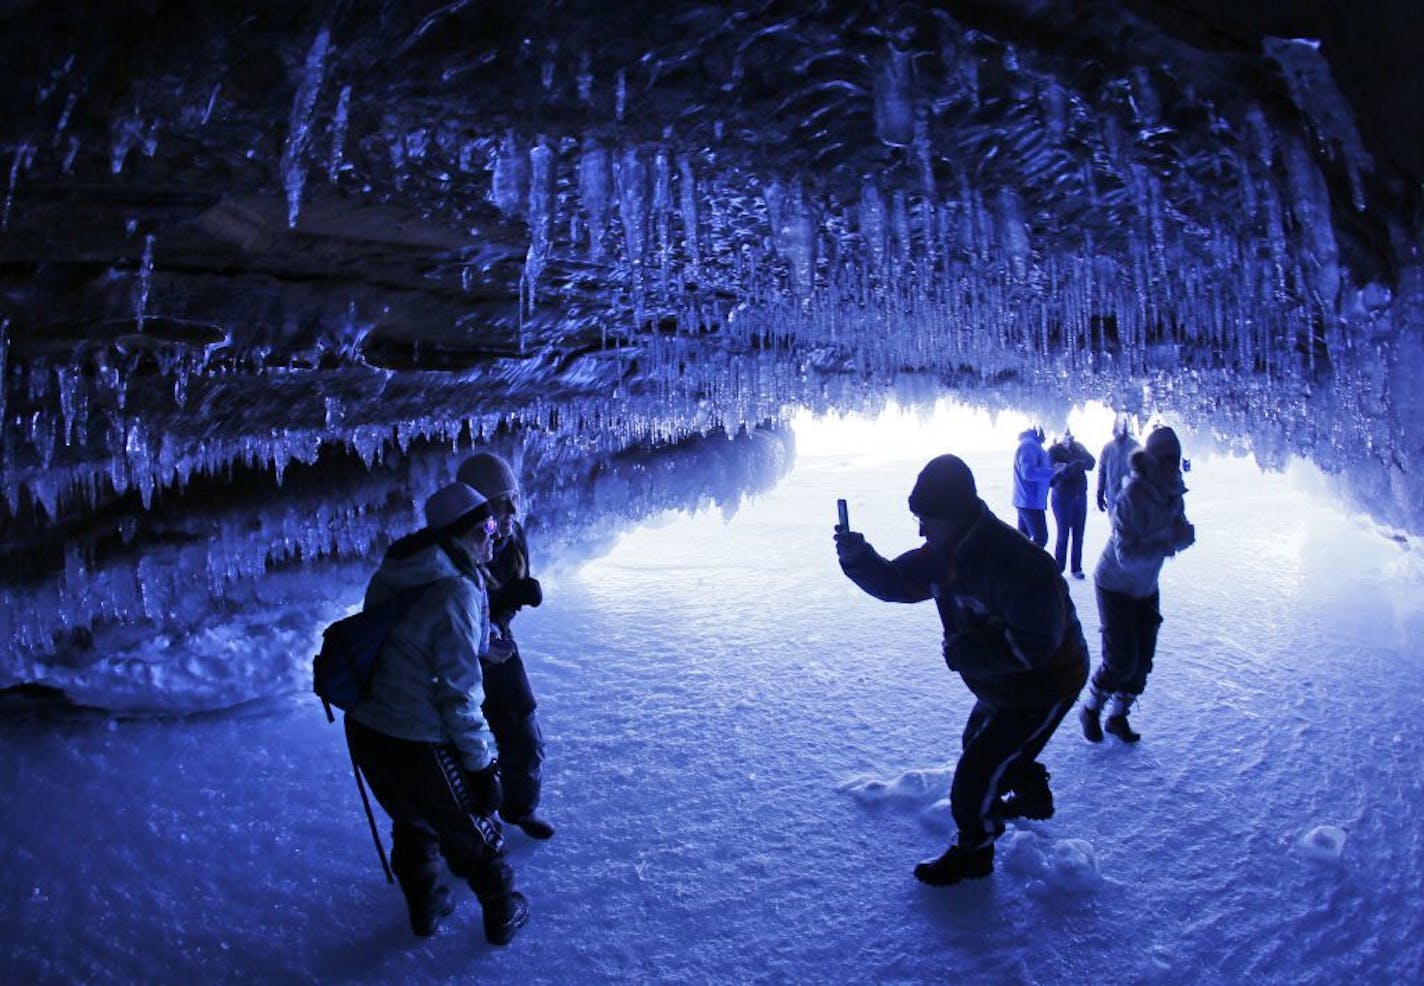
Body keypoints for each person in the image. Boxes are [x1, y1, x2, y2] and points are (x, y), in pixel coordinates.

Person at [834, 455, 1088, 887]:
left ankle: (975, 851)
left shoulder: (1017, 565)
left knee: (974, 778)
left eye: (926, 519)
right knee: (979, 744)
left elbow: (1037, 645)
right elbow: (898, 581)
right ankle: (1029, 789)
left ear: (955, 515)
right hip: (1002, 682)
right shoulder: (944, 554)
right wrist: (858, 558)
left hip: (1046, 683)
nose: (920, 530)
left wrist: (964, 653)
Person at [344, 481, 530, 946]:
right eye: (487, 525)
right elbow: (460, 697)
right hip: (416, 737)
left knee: (412, 818)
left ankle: (425, 903)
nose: (495, 534)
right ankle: (503, 910)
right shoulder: (456, 592)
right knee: (472, 824)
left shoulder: (401, 569)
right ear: (464, 532)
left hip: (368, 730)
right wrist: (483, 765)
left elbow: (412, 642)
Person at [456, 451, 554, 840]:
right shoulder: (457, 548)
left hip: (497, 644)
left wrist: (509, 604)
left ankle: (519, 807)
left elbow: (503, 595)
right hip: (456, 654)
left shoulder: (513, 537)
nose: (511, 512)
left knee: (523, 733)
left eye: (512, 500)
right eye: (500, 504)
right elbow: (450, 615)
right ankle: (474, 825)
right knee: (465, 746)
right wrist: (484, 634)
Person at [1080, 427, 1196, 744]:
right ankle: (1091, 708)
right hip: (1114, 583)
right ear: (1153, 460)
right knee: (1121, 659)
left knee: (1143, 660)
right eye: (1167, 460)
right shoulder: (1131, 496)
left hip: (1145, 587)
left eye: (1176, 459)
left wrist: (1183, 534)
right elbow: (1126, 555)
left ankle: (1117, 717)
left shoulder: (1173, 491)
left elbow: (1179, 528)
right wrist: (1166, 544)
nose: (1173, 466)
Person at [1047, 429, 1096, 578]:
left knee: (1078, 534)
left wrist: (1074, 463)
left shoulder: (1078, 447)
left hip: (1080, 495)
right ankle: (1059, 568)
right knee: (1063, 533)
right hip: (1062, 497)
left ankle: (1076, 568)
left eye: (1068, 434)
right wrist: (1074, 466)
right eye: (1063, 434)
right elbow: (1056, 474)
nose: (1067, 437)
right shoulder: (1053, 450)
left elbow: (1091, 463)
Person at [1012, 426, 1055, 548]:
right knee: (1040, 538)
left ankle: (1018, 565)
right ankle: (1030, 565)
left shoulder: (1032, 445)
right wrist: (1051, 472)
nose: (1047, 437)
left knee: (1022, 538)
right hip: (1030, 500)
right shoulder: (1029, 446)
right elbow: (1028, 473)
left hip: (1028, 500)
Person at [1096, 415, 1140, 517]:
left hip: (1131, 497)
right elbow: (1102, 472)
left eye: (1122, 426)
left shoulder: (1135, 447)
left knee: (1130, 528)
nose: (1120, 430)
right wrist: (1100, 492)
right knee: (1115, 527)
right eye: (1118, 426)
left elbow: (1143, 472)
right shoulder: (1107, 449)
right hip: (1113, 495)